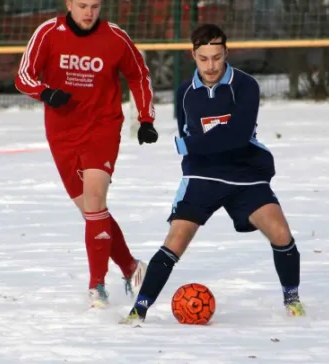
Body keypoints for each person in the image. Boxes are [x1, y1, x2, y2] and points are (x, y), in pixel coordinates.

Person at [120, 23, 305, 324]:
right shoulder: (184, 93)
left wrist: (190, 144)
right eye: (204, 58)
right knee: (175, 240)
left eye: (217, 58)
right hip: (202, 176)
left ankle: (292, 300)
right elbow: (198, 143)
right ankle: (138, 310)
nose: (211, 66)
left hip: (245, 174)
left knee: (281, 232)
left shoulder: (246, 85)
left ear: (226, 53)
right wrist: (196, 149)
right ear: (193, 55)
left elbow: (237, 135)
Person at [14, 0, 159, 308]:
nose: (88, 12)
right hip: (62, 134)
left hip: (102, 127)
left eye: (94, 6)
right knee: (93, 212)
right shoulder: (48, 33)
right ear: (69, 4)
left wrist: (146, 118)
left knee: (95, 199)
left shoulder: (115, 38)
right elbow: (23, 77)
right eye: (82, 5)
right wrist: (45, 93)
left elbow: (138, 75)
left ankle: (97, 286)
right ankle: (130, 266)